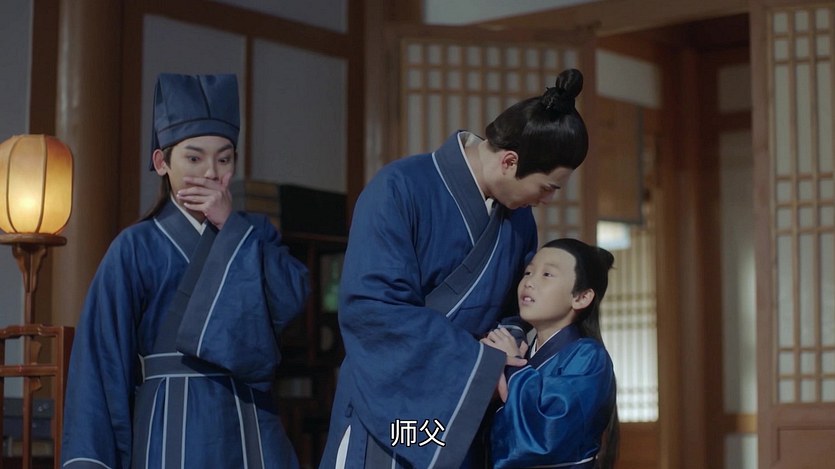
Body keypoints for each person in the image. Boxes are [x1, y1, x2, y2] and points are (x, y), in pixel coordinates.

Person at [319, 68, 589, 469]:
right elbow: (373, 309)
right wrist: (480, 364)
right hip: (391, 402)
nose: (546, 200)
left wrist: (505, 346)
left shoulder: (519, 221)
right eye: (547, 187)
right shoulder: (398, 187)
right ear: (510, 161)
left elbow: (516, 309)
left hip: (464, 408)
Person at [61, 73, 310, 469]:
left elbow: (290, 302)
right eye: (194, 158)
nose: (211, 172)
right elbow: (101, 362)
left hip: (249, 419)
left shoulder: (253, 234)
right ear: (162, 163)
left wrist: (230, 228)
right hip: (173, 423)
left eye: (224, 159)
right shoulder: (135, 247)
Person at [480, 238, 620, 469]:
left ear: (581, 297)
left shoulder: (589, 357)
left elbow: (547, 436)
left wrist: (514, 368)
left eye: (547, 275)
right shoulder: (523, 353)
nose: (529, 282)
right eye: (528, 272)